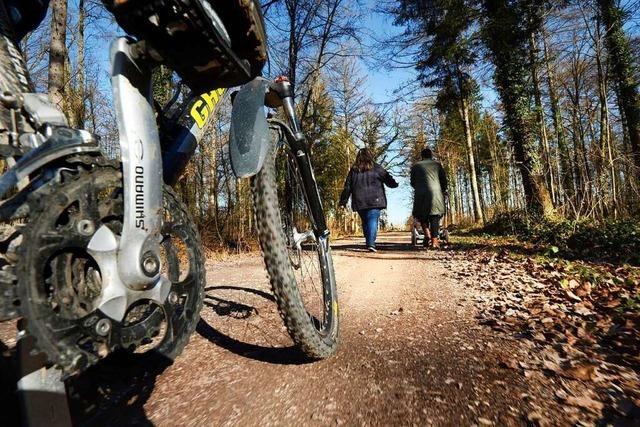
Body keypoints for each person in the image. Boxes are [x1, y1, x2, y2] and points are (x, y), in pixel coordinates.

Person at [339, 148, 398, 252]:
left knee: (366, 221)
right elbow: (387, 179)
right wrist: (394, 184)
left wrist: (343, 202)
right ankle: (371, 243)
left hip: (359, 201)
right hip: (375, 200)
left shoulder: (353, 170)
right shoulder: (377, 168)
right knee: (372, 220)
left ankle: (369, 242)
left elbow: (347, 187)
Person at [410, 147, 448, 249]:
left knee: (422, 215)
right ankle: (435, 241)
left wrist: (419, 188)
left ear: (422, 156)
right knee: (434, 216)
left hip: (420, 193)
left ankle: (427, 236)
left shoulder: (416, 166)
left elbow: (412, 182)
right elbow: (443, 180)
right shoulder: (437, 165)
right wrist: (442, 190)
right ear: (431, 155)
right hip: (436, 192)